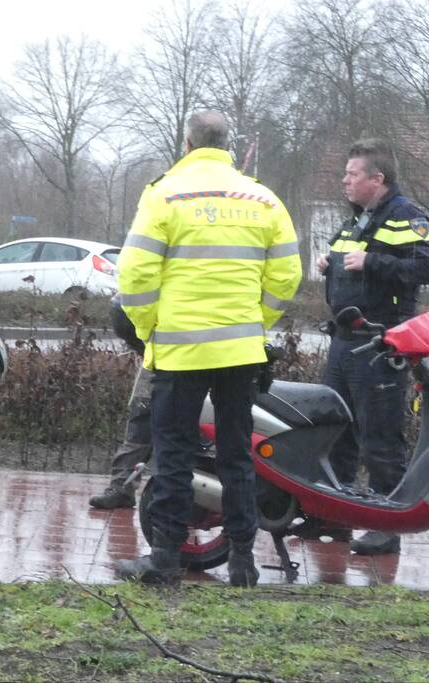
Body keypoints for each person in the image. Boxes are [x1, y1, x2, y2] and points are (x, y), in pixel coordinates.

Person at [115, 110, 302, 587]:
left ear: (186, 144)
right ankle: (243, 561)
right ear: (229, 147)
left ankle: (164, 559)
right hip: (241, 352)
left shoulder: (164, 195)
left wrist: (149, 328)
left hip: (180, 353)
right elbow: (286, 275)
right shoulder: (263, 199)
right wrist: (256, 321)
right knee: (238, 455)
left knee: (174, 456)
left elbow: (134, 277)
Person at [317, 138, 429, 555]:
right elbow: (345, 261)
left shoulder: (407, 217)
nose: (344, 181)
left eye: (352, 174)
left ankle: (387, 525)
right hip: (344, 341)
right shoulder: (357, 220)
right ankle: (336, 516)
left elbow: (427, 267)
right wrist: (327, 265)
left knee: (380, 437)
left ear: (377, 179)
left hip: (380, 344)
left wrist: (373, 263)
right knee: (336, 433)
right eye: (346, 174)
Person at [88, 296, 153, 510]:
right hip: (161, 349)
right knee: (141, 417)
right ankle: (121, 487)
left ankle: (191, 494)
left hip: (197, 351)